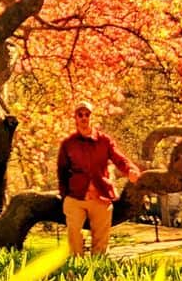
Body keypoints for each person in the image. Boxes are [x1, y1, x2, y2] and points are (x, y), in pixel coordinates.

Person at [56, 100, 141, 257]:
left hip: (101, 197)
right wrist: (64, 195)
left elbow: (119, 159)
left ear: (92, 117)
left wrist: (130, 170)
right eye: (80, 114)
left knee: (101, 242)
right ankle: (76, 269)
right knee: (74, 232)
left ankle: (96, 271)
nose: (84, 117)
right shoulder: (68, 144)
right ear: (75, 117)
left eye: (87, 114)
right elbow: (62, 171)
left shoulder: (105, 141)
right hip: (76, 198)